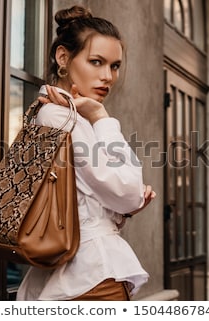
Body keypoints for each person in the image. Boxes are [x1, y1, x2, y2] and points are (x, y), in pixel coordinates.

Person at [16, 5, 156, 301]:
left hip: (80, 271)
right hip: (90, 275)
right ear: (63, 58)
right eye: (96, 62)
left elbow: (95, 202)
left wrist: (123, 207)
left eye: (115, 66)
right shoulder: (62, 118)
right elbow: (128, 190)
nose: (108, 76)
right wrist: (102, 117)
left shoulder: (63, 116)